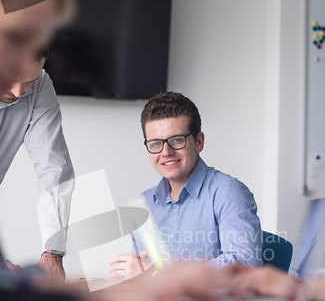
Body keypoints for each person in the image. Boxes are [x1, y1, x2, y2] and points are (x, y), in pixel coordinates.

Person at [0, 0, 236, 301]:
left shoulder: (220, 193)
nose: (16, 92)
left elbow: (54, 170)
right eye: (15, 38)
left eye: (33, 48)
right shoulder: (148, 202)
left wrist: (53, 260)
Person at [109, 92, 262, 279]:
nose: (166, 152)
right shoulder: (145, 203)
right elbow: (144, 275)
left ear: (198, 142)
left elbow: (244, 265)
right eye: (156, 143)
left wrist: (158, 274)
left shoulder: (227, 192)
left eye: (176, 140)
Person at [0, 46, 74, 282]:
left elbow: (53, 168)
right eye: (11, 79)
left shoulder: (40, 86)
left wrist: (53, 253)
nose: (18, 93)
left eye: (27, 82)